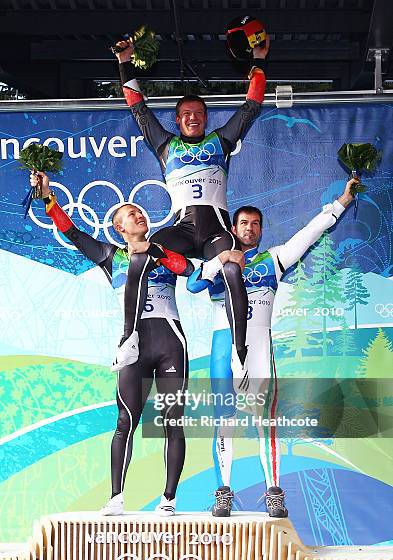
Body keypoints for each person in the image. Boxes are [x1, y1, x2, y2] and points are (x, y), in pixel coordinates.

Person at [187, 177, 360, 518]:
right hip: (223, 349)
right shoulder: (219, 260)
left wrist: (341, 201)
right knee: (225, 421)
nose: (249, 229)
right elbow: (193, 284)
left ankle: (273, 493)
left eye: (255, 224)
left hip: (259, 349)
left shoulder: (275, 258)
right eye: (244, 224)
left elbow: (310, 232)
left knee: (265, 422)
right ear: (233, 229)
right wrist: (220, 259)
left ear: (262, 230)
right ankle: (224, 492)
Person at [30, 171, 194, 517]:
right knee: (125, 421)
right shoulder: (110, 257)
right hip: (134, 347)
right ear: (120, 228)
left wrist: (157, 250)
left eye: (141, 212)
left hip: (170, 343)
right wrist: (48, 198)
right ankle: (116, 497)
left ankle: (168, 500)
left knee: (172, 420)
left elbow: (187, 268)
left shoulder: (163, 250)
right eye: (131, 215)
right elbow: (72, 232)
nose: (139, 216)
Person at [112, 37, 269, 387]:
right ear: (178, 120)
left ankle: (239, 353)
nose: (193, 118)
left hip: (215, 231)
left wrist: (258, 58)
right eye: (186, 115)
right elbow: (139, 110)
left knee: (230, 271)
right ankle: (129, 337)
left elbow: (251, 106)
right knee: (142, 254)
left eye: (198, 114)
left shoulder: (220, 141)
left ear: (206, 117)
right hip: (182, 230)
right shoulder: (166, 145)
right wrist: (124, 63)